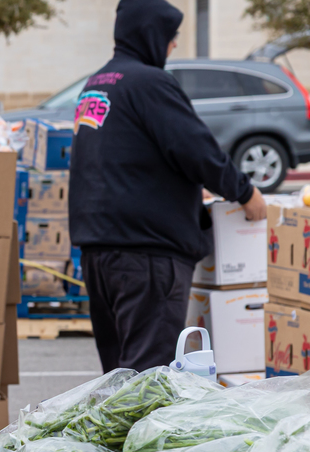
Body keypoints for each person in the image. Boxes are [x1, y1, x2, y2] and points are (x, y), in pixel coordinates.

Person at [69, 0, 268, 373]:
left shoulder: (98, 83)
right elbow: (196, 148)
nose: (174, 44)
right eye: (170, 36)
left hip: (100, 252)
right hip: (145, 255)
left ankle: (117, 434)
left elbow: (122, 158)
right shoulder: (149, 83)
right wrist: (244, 192)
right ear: (151, 34)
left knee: (118, 379)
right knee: (149, 379)